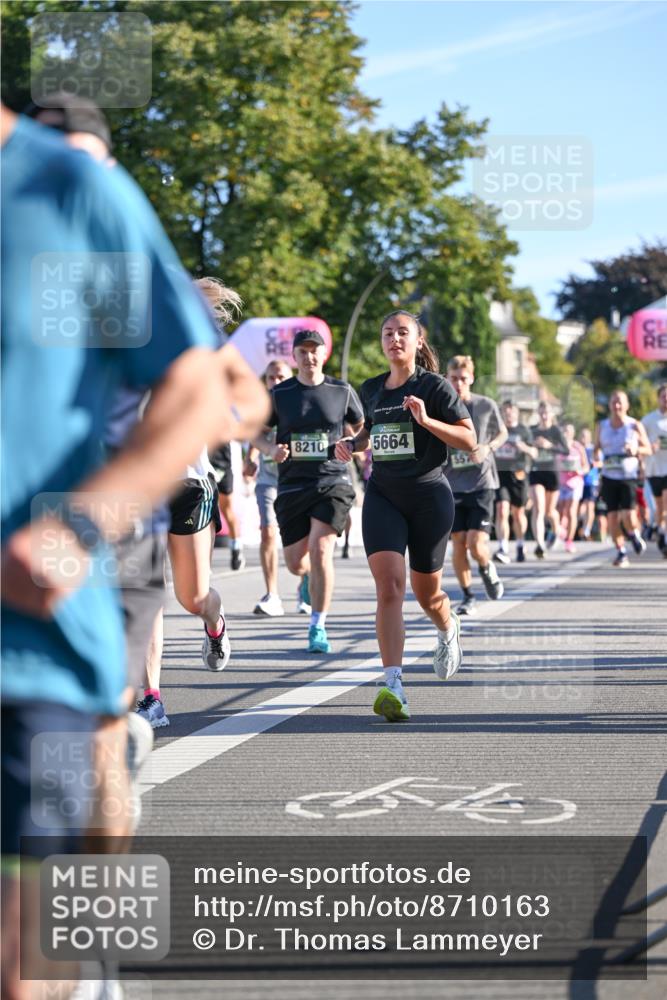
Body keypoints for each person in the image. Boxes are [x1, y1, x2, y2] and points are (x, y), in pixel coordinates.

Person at [1, 104, 268, 998]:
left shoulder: (84, 209)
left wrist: (104, 502)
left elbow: (225, 391)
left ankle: (90, 954)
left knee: (106, 737)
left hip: (99, 546)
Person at [335, 312, 475, 722]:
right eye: (387, 333)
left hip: (430, 496)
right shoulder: (372, 388)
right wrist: (351, 443)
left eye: (402, 333)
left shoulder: (434, 386)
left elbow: (469, 438)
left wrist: (426, 420)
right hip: (384, 495)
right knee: (390, 587)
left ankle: (448, 628)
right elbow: (369, 434)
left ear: (417, 341)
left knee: (427, 593)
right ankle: (393, 682)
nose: (394, 339)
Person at [268, 329, 364, 653]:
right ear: (294, 357)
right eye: (303, 352)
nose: (309, 357)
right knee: (296, 562)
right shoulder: (281, 394)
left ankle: (318, 626)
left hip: (331, 481)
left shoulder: (342, 390)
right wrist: (271, 449)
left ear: (324, 355)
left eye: (315, 351)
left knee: (321, 549)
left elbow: (361, 425)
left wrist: (350, 444)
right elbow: (255, 430)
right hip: (293, 483)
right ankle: (306, 577)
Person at [444, 356, 507, 616]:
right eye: (454, 379)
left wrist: (487, 447)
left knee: (476, 544)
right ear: (447, 378)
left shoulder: (485, 405)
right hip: (452, 485)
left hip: (482, 483)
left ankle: (486, 566)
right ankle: (468, 595)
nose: (458, 384)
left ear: (471, 378)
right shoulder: (441, 408)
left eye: (463, 379)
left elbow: (502, 433)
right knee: (458, 543)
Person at [244, 360, 294, 616]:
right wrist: (250, 459)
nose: (276, 382)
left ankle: (307, 582)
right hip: (267, 478)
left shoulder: (298, 400)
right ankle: (272, 594)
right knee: (267, 533)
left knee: (301, 545)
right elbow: (257, 434)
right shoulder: (262, 405)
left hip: (295, 479)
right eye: (272, 378)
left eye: (281, 377)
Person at [595, 389, 651, 567]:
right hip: (609, 476)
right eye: (613, 402)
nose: (617, 405)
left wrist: (635, 450)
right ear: (610, 405)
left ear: (627, 405)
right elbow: (596, 447)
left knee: (628, 514)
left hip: (628, 476)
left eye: (620, 402)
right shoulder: (602, 426)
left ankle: (634, 534)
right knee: (611, 517)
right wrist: (596, 456)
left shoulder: (634, 425)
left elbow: (648, 449)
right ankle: (621, 552)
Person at [493, 400, 537, 564]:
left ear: (517, 413)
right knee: (502, 509)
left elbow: (534, 453)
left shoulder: (524, 430)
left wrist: (523, 447)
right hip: (500, 475)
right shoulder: (498, 429)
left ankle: (520, 544)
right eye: (505, 411)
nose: (508, 414)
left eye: (511, 411)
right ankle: (503, 547)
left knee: (518, 514)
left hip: (518, 475)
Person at [529, 401, 569, 558]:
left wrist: (548, 445)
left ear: (552, 414)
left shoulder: (556, 431)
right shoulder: (531, 430)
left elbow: (565, 450)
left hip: (551, 473)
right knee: (538, 508)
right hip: (536, 471)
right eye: (541, 413)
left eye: (546, 413)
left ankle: (556, 528)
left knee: (549, 511)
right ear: (538, 414)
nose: (544, 416)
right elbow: (524, 445)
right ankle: (540, 544)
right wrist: (530, 447)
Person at [210, 442, 245, 568]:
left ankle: (236, 548)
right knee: (207, 514)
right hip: (204, 471)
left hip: (222, 468)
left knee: (227, 510)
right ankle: (205, 560)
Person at [642, 382, 667, 556]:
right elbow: (640, 442)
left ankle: (665, 536)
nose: (666, 399)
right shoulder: (649, 420)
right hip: (654, 469)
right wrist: (650, 447)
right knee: (660, 508)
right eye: (663, 396)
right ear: (658, 399)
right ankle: (661, 531)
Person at [557, 423, 589, 553]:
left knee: (571, 511)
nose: (566, 433)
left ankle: (569, 541)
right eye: (564, 430)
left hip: (575, 483)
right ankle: (560, 531)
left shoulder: (578, 447)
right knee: (559, 512)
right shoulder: (558, 447)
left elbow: (586, 466)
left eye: (569, 431)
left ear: (573, 433)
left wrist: (579, 471)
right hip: (561, 483)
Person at [577, 427, 600, 541]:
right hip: (577, 482)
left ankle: (587, 530)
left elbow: (602, 462)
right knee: (578, 508)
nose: (583, 439)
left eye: (585, 436)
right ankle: (579, 526)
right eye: (582, 436)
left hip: (591, 481)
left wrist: (593, 464)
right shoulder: (577, 448)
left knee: (590, 506)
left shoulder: (593, 449)